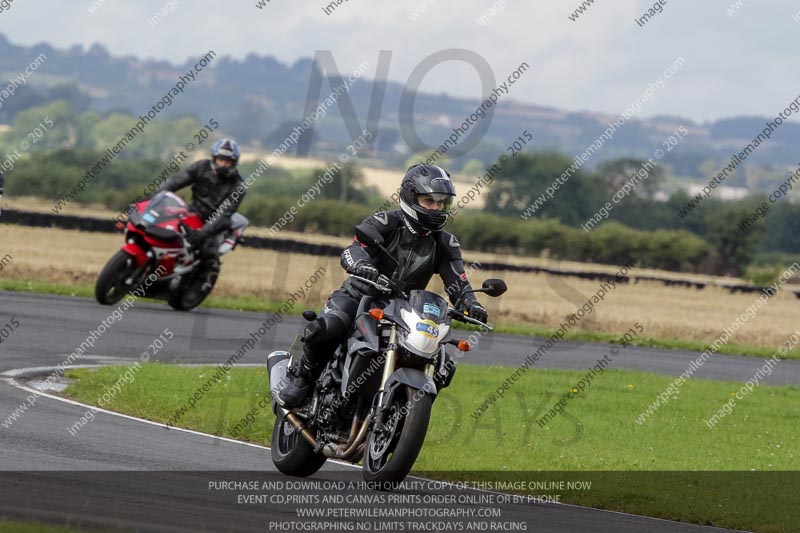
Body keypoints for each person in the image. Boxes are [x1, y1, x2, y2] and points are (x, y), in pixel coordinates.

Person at [277, 164, 488, 408]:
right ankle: (303, 379)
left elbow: (457, 281)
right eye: (429, 201)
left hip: (404, 309)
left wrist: (470, 303)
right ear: (411, 197)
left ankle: (402, 409)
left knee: (442, 363)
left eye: (442, 203)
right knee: (328, 327)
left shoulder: (445, 242)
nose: (436, 208)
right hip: (359, 296)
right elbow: (354, 250)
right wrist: (362, 266)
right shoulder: (386, 221)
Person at [159, 138, 246, 280]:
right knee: (162, 227)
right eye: (220, 160)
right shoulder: (201, 167)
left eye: (227, 161)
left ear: (233, 163)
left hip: (214, 223)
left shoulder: (237, 186)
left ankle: (202, 279)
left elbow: (224, 214)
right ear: (214, 158)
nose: (223, 164)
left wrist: (202, 233)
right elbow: (175, 183)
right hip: (192, 211)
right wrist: (151, 198)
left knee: (207, 250)